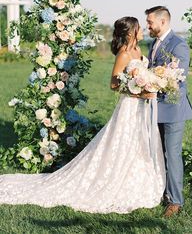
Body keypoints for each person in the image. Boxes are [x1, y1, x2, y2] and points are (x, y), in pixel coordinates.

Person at [0, 16, 165, 214]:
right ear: (130, 32)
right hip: (129, 105)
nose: (142, 30)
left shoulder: (139, 50)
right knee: (123, 142)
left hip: (142, 107)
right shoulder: (123, 54)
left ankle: (138, 179)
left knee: (139, 142)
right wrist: (138, 91)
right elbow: (113, 84)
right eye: (139, 28)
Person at [145, 6, 192, 218]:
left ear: (162, 22)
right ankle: (162, 191)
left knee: (172, 155)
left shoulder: (179, 45)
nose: (147, 25)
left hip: (172, 109)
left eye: (150, 22)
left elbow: (176, 78)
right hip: (155, 106)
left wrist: (151, 81)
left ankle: (175, 201)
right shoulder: (153, 43)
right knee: (158, 152)